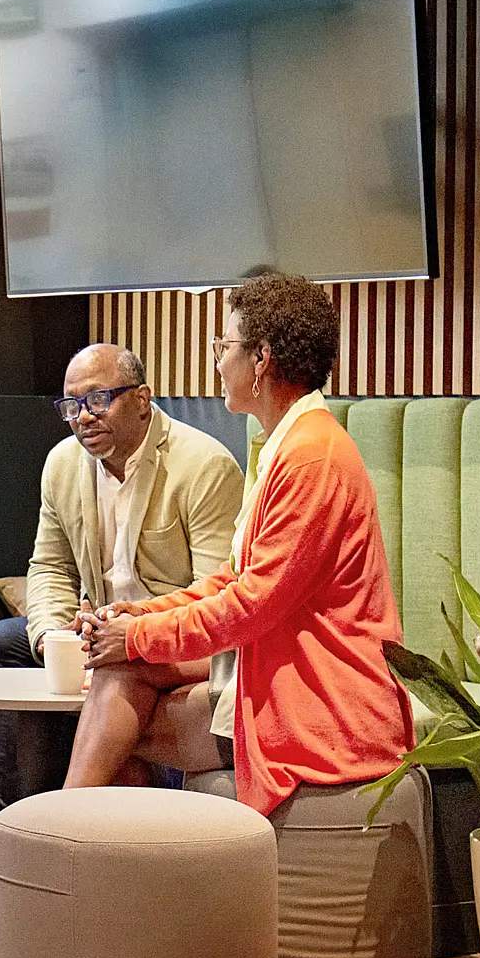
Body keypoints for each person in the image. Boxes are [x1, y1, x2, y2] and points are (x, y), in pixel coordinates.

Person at [72, 271, 412, 814]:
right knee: (119, 684)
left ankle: (65, 857)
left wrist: (137, 637)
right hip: (282, 675)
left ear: (261, 359)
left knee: (118, 704)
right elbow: (232, 580)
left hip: (322, 702)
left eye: (223, 345)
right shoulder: (287, 443)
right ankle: (98, 872)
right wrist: (131, 619)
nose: (215, 360)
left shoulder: (311, 456)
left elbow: (252, 605)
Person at [0, 344, 243, 897]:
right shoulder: (64, 464)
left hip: (173, 637)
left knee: (125, 669)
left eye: (97, 399)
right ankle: (0, 827)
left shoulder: (203, 465)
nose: (83, 417)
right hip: (95, 628)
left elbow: (214, 596)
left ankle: (52, 840)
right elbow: (48, 566)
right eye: (70, 405)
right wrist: (50, 635)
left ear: (141, 400)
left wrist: (131, 631)